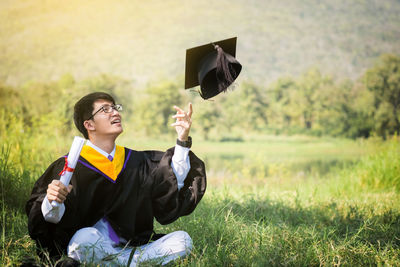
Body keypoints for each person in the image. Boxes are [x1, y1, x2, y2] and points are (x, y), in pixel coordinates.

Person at [25, 92, 207, 266]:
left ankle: (121, 264)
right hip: (95, 246)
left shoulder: (135, 161)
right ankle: (134, 264)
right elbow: (49, 219)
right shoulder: (69, 165)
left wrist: (182, 139)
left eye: (115, 107)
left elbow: (169, 182)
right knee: (83, 240)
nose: (115, 112)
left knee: (183, 240)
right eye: (105, 109)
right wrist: (53, 200)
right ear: (89, 125)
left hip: (134, 248)